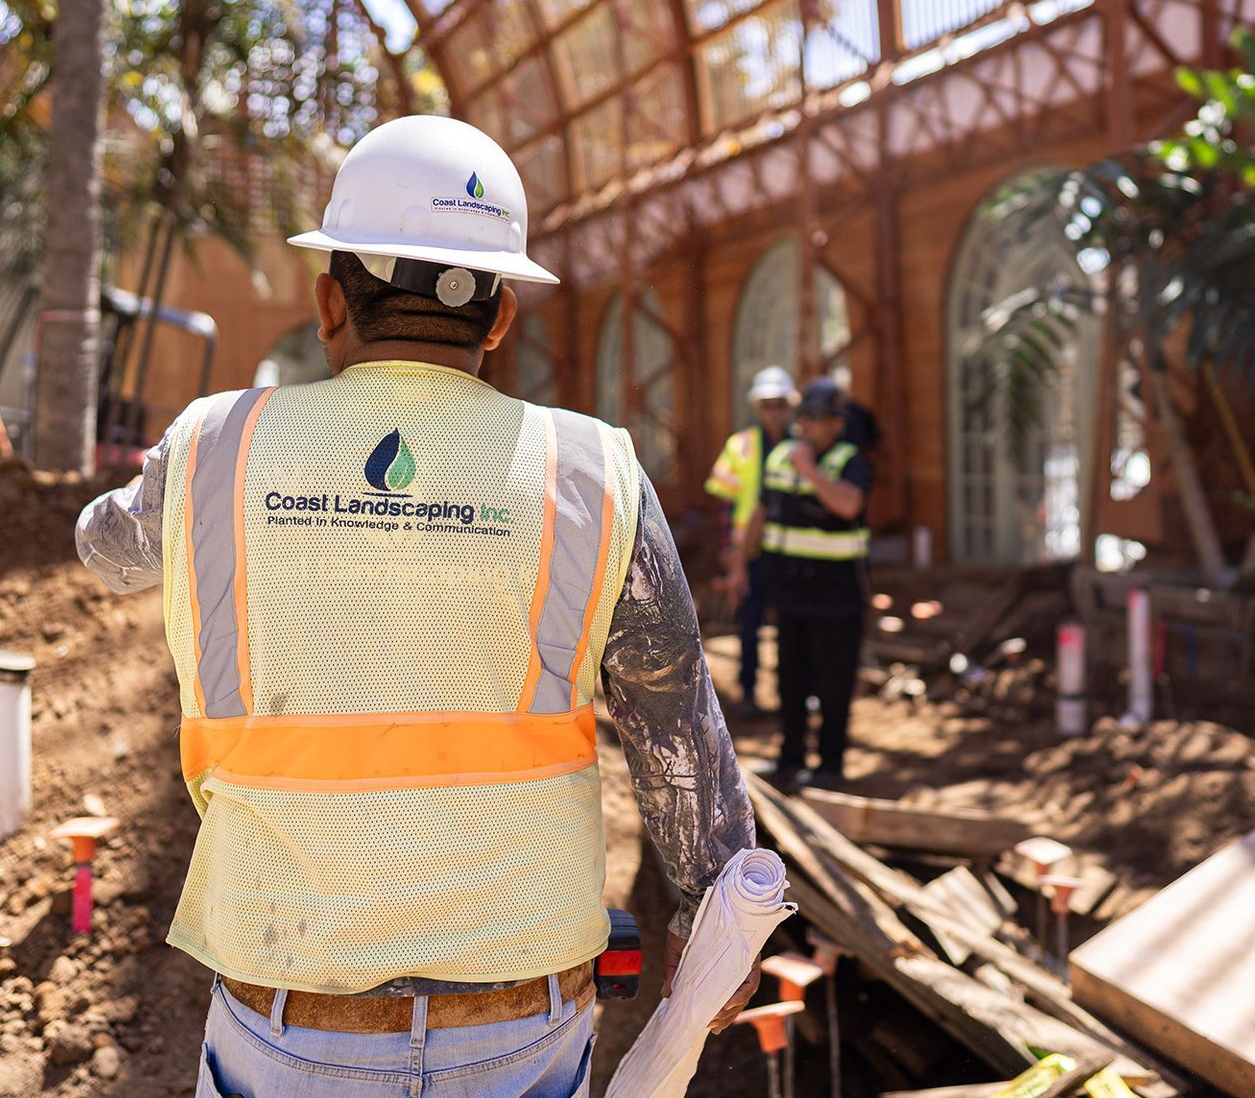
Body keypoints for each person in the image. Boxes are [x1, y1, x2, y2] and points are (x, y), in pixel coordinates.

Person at [74, 116, 759, 1098]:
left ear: (326, 301)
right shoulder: (592, 469)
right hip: (520, 1011)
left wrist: (139, 486)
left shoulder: (212, 447)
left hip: (291, 1007)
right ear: (499, 317)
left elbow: (111, 553)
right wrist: (710, 898)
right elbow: (671, 701)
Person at [735, 376, 871, 791]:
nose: (807, 427)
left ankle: (830, 765)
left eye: (817, 419)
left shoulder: (851, 461)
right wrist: (740, 565)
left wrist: (808, 470)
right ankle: (790, 759)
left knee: (834, 684)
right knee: (790, 680)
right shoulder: (780, 458)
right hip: (791, 594)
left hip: (837, 597)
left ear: (836, 423)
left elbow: (848, 504)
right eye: (805, 418)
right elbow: (760, 513)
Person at [703, 366, 796, 719]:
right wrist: (729, 551)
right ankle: (748, 693)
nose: (774, 412)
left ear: (789, 407)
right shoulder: (740, 445)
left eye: (779, 405)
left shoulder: (799, 444)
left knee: (791, 625)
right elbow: (725, 505)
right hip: (749, 554)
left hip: (788, 549)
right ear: (758, 407)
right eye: (767, 405)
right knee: (750, 624)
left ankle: (792, 692)